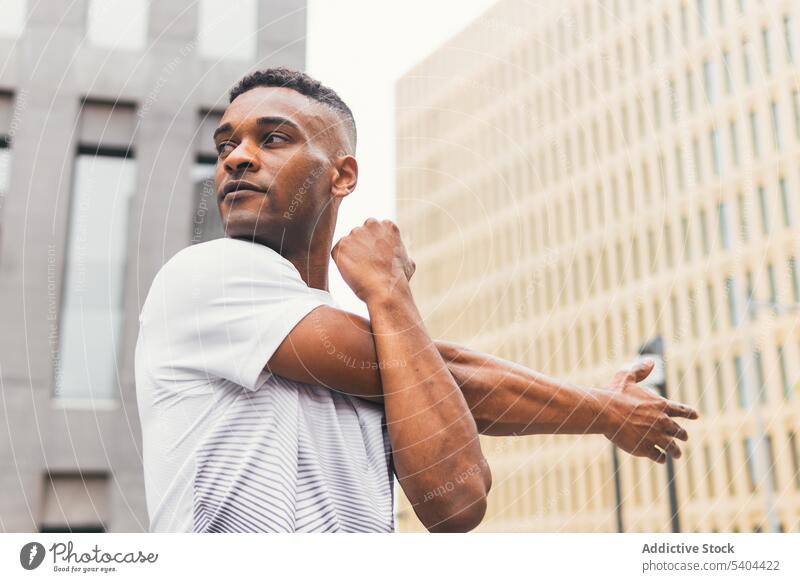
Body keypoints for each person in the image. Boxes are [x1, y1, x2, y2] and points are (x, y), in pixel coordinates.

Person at [134, 67, 698, 533]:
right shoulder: (205, 277)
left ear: (342, 176)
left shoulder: (382, 340)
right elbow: (449, 371)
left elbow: (457, 503)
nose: (236, 157)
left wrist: (388, 300)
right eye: (227, 144)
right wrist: (388, 287)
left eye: (273, 139)